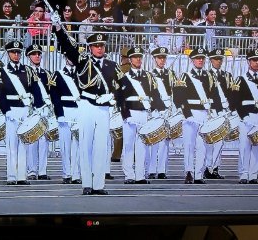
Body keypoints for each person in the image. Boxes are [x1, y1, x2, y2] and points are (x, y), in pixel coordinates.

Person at [52, 13, 125, 195]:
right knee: (85, 145)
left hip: (103, 109)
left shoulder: (111, 65)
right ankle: (87, 183)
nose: (99, 49)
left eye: (102, 46)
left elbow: (122, 86)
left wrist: (114, 97)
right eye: (96, 46)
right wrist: (59, 28)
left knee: (101, 146)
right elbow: (67, 46)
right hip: (86, 106)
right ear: (90, 47)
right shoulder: (83, 61)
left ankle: (99, 185)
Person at [0, 40, 44, 185]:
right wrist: (6, 110)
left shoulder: (28, 70)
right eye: (13, 52)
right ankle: (11, 176)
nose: (16, 55)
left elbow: (36, 90)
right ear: (8, 54)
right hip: (11, 110)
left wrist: (38, 107)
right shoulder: (2, 72)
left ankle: (22, 176)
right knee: (11, 144)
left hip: (25, 110)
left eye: (18, 52)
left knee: (24, 144)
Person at [173, 48, 223, 184]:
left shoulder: (210, 76)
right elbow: (178, 97)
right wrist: (187, 114)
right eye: (197, 58)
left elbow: (215, 95)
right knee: (189, 145)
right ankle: (189, 172)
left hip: (204, 114)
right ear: (192, 60)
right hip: (190, 113)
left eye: (202, 58)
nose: (200, 60)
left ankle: (199, 174)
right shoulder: (185, 76)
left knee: (202, 146)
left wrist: (218, 113)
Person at [120, 47, 165, 184]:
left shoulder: (149, 77)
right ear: (130, 59)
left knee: (142, 146)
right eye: (135, 57)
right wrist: (125, 114)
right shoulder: (124, 78)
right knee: (128, 145)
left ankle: (140, 175)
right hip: (130, 114)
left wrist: (157, 111)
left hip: (144, 114)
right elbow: (120, 98)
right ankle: (129, 175)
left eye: (140, 56)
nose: (138, 59)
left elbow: (155, 95)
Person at [147, 47, 177, 180]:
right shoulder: (150, 75)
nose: (162, 60)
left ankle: (162, 170)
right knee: (154, 140)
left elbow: (176, 91)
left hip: (168, 109)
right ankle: (152, 169)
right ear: (154, 59)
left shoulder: (171, 74)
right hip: (155, 109)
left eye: (164, 57)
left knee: (165, 141)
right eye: (159, 58)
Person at [50, 55, 81, 184]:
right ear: (65, 57)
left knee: (78, 145)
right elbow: (54, 95)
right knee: (65, 145)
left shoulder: (82, 73)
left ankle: (76, 175)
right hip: (65, 111)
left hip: (79, 110)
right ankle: (66, 173)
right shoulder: (57, 75)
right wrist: (59, 113)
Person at [204, 49, 234, 180]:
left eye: (220, 59)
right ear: (211, 60)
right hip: (210, 111)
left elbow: (232, 93)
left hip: (223, 111)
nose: (218, 61)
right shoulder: (205, 75)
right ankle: (206, 167)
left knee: (220, 142)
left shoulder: (227, 76)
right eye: (216, 59)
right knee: (208, 142)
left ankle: (214, 168)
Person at [25, 43, 52, 181]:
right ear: (28, 57)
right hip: (31, 109)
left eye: (38, 54)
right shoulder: (25, 72)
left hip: (44, 109)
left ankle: (42, 171)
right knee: (31, 141)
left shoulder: (46, 74)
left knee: (44, 141)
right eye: (34, 54)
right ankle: (31, 170)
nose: (37, 56)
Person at [230, 49, 258, 184]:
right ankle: (243, 174)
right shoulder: (240, 79)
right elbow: (235, 100)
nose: (256, 62)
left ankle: (253, 174)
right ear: (248, 62)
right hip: (245, 117)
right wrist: (243, 116)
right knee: (244, 146)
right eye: (254, 60)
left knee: (256, 147)